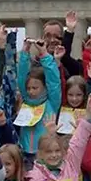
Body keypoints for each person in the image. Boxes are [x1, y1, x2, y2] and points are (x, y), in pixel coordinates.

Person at [16, 38, 62, 167]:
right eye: (29, 88)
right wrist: (25, 52)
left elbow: (53, 81)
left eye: (35, 88)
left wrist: (44, 54)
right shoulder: (26, 101)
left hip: (45, 153)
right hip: (25, 152)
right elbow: (21, 78)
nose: (31, 91)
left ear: (44, 87)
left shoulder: (51, 102)